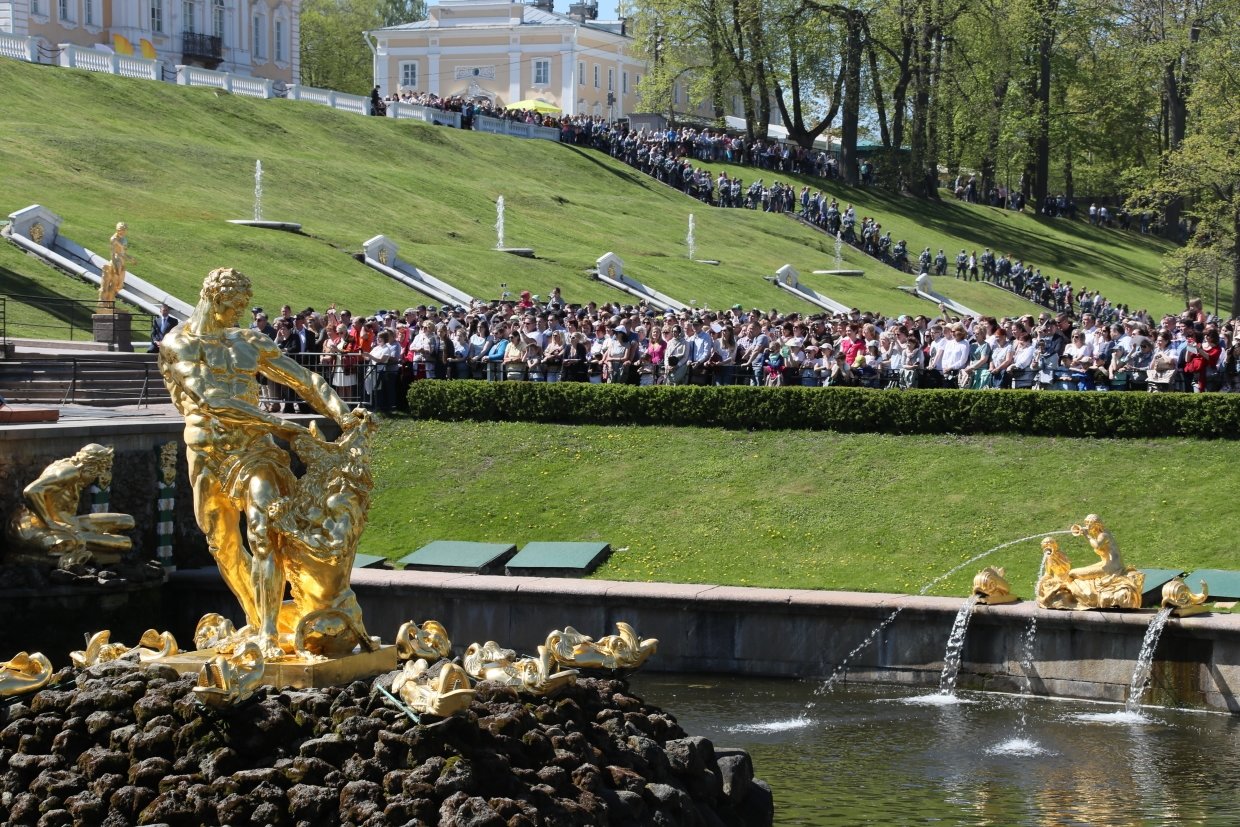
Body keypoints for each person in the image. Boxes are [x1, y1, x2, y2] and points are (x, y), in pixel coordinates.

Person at [158, 267, 365, 658]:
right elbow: (210, 400)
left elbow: (307, 381)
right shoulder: (178, 343)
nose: (239, 313)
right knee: (222, 542)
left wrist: (345, 415)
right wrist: (280, 423)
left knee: (263, 529)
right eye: (233, 305)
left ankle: (269, 632)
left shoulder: (248, 341)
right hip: (207, 449)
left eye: (242, 305)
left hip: (256, 448)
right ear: (212, 298)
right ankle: (255, 618)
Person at [5, 443, 134, 565]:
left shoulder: (72, 465)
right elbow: (31, 490)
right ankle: (42, 558)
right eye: (97, 474)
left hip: (67, 523)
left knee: (127, 520)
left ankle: (86, 551)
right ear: (91, 467)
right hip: (34, 529)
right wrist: (49, 522)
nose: (95, 479)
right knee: (123, 542)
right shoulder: (69, 472)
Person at [99, 222, 133, 307]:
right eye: (121, 230)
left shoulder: (124, 239)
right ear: (118, 230)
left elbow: (123, 252)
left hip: (122, 262)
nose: (123, 231)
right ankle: (107, 302)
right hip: (116, 262)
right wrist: (115, 267)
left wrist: (130, 259)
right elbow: (113, 254)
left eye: (124, 230)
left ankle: (109, 302)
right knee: (113, 284)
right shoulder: (114, 239)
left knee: (119, 286)